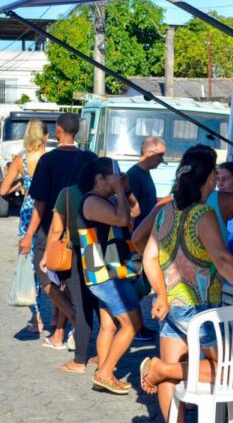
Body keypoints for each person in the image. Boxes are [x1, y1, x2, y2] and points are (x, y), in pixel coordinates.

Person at [138, 148, 233, 422]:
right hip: (200, 310)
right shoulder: (203, 215)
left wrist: (161, 295)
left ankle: (163, 372)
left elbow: (149, 257)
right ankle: (160, 370)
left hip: (171, 308)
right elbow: (224, 261)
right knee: (228, 372)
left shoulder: (166, 211)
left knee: (172, 375)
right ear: (210, 178)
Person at [19, 113, 97, 346]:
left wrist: (29, 234)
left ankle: (75, 318)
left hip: (51, 230)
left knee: (44, 275)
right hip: (83, 228)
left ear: (59, 131)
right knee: (68, 280)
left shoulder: (48, 160)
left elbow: (40, 202)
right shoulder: (90, 158)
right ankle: (61, 333)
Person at [77, 157, 143, 395]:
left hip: (107, 272)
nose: (118, 178)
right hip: (105, 275)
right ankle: (104, 373)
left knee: (108, 326)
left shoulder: (107, 199)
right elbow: (123, 219)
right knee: (133, 324)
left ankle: (105, 374)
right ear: (100, 179)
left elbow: (135, 210)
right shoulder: (92, 201)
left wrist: (126, 189)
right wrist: (118, 191)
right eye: (114, 176)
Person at [0, 119, 49, 334]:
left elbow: (2, 190)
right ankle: (59, 316)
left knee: (29, 265)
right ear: (46, 136)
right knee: (52, 262)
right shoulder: (50, 158)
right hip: (50, 210)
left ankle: (36, 318)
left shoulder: (21, 160)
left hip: (29, 211)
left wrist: (20, 184)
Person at [44, 183, 99, 373]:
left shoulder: (68, 193)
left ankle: (80, 361)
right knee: (100, 307)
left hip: (75, 253)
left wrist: (46, 256)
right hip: (97, 251)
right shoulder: (105, 194)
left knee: (82, 307)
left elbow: (56, 229)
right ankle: (104, 355)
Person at [127, 136, 166, 342]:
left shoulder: (144, 173)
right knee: (137, 286)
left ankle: (136, 325)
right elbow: (129, 211)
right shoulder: (135, 175)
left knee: (141, 285)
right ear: (148, 153)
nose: (162, 160)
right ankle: (130, 325)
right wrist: (134, 242)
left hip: (144, 238)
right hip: (136, 241)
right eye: (160, 156)